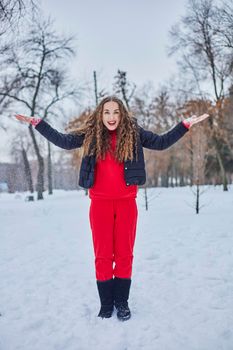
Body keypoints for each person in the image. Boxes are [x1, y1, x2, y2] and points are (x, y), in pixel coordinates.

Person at [15, 96, 209, 321]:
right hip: (100, 205)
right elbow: (64, 141)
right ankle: (106, 304)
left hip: (127, 204)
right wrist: (38, 123)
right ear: (100, 114)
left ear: (122, 114)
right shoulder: (91, 134)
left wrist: (184, 126)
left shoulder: (134, 132)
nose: (111, 117)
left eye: (116, 112)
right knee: (103, 255)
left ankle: (122, 303)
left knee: (125, 255)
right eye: (107, 112)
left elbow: (161, 142)